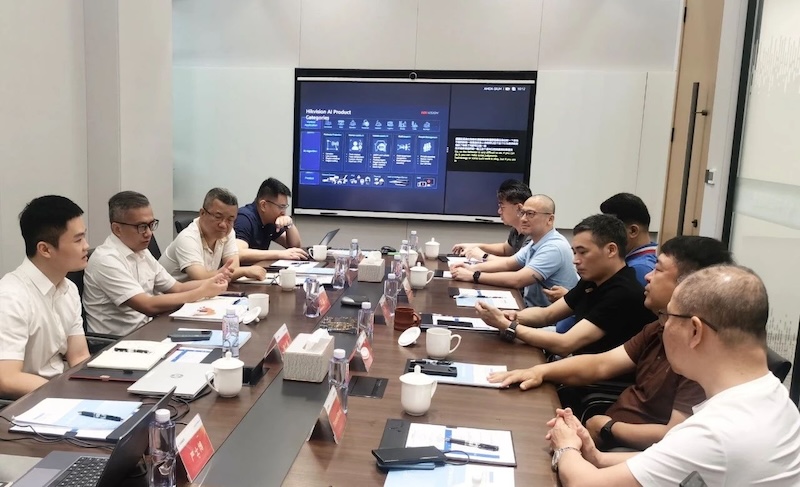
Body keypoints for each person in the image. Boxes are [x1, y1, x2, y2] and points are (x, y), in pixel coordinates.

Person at [546, 265, 800, 486]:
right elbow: (682, 461)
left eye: (667, 316)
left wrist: (566, 445)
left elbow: (584, 483)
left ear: (695, 331)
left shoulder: (716, 433)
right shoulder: (773, 395)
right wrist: (598, 458)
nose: (663, 326)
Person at [489, 236, 732, 450]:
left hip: (624, 450)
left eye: (657, 270)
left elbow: (675, 435)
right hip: (605, 430)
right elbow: (601, 364)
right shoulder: (658, 327)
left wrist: (608, 428)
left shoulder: (699, 356)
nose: (647, 276)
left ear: (688, 287)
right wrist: (539, 371)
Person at [476, 214, 654, 357]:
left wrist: (507, 325)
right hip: (578, 365)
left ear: (611, 250)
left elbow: (565, 344)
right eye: (574, 252)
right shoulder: (593, 279)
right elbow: (547, 315)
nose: (575, 260)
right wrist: (513, 317)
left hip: (596, 382)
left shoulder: (623, 292)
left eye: (583, 252)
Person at [84, 191, 230, 336]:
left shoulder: (141, 251)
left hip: (148, 330)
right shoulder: (106, 260)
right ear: (117, 229)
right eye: (141, 227)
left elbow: (177, 288)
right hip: (119, 342)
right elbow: (148, 305)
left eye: (151, 225)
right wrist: (202, 291)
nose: (149, 233)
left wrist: (212, 281)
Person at [0, 196, 91, 399]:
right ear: (45, 249)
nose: (86, 246)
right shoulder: (11, 297)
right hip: (28, 403)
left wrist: (94, 389)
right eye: (78, 240)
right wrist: (65, 394)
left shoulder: (69, 288)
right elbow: (7, 378)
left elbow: (79, 356)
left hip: (60, 392)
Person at [545, 193, 657, 333]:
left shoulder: (641, 270)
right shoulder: (628, 260)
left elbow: (609, 309)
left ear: (633, 231)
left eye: (613, 226)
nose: (605, 231)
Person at [451, 194, 577, 309]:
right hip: (531, 309)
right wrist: (471, 268)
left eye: (530, 214)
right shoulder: (536, 241)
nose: (523, 219)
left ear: (550, 219)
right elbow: (508, 263)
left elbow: (518, 280)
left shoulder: (554, 247)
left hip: (550, 318)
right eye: (522, 213)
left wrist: (473, 276)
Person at [160, 188, 267, 282]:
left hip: (201, 293)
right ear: (202, 213)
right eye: (218, 217)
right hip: (171, 297)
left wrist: (239, 271)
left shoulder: (227, 232)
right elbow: (200, 278)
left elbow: (233, 269)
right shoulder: (187, 238)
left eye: (230, 219)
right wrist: (245, 271)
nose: (223, 225)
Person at [451, 179, 532, 260]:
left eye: (502, 207)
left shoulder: (532, 234)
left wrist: (483, 255)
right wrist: (475, 247)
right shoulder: (515, 230)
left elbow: (516, 263)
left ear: (519, 208)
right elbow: (505, 250)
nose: (499, 211)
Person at [235, 178, 307, 263]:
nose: (284, 212)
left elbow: (294, 247)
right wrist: (279, 254)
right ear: (263, 205)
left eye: (285, 207)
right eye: (281, 207)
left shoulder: (270, 220)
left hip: (257, 268)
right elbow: (238, 253)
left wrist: (289, 224)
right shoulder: (244, 219)